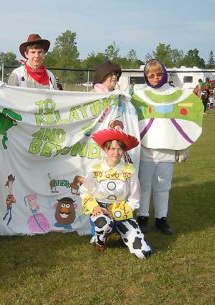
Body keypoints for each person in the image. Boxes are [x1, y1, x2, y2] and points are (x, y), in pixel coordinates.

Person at [133, 59, 198, 235]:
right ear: (146, 76)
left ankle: (162, 218)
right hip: (146, 148)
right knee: (144, 185)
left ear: (165, 74)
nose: (154, 77)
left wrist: (183, 144)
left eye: (158, 74)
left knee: (163, 186)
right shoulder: (139, 94)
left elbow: (188, 118)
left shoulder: (177, 94)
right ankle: (142, 217)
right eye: (150, 75)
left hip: (168, 148)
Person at [80, 128, 152, 259]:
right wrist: (95, 207)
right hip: (101, 211)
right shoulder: (96, 169)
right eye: (112, 149)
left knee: (143, 253)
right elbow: (84, 191)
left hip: (122, 211)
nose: (116, 152)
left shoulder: (129, 170)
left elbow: (135, 200)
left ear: (124, 150)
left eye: (119, 149)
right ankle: (100, 240)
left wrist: (115, 213)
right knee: (103, 223)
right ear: (105, 149)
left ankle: (123, 232)